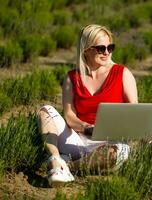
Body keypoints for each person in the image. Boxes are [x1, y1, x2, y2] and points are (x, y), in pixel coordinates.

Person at [38, 24, 138, 187]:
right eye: (100, 48)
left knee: (115, 154)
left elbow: (135, 112)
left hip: (108, 142)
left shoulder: (122, 73)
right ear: (86, 49)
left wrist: (144, 131)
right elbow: (69, 116)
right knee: (45, 111)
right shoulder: (72, 78)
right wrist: (87, 127)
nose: (107, 52)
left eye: (110, 47)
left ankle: (66, 167)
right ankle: (55, 158)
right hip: (78, 139)